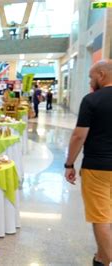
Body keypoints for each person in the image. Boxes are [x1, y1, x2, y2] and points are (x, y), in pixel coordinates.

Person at [64, 60, 112, 266]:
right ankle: (101, 256)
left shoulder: (92, 100)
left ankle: (107, 259)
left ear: (102, 74)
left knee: (100, 216)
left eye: (92, 77)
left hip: (98, 166)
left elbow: (79, 136)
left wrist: (69, 164)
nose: (91, 82)